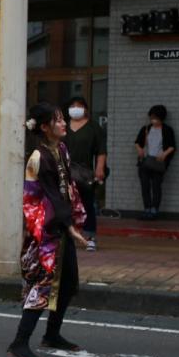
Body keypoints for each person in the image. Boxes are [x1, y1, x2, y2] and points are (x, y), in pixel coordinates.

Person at [6, 103, 89, 357]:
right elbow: (39, 200)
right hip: (44, 231)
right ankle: (18, 343)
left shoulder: (61, 149)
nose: (64, 123)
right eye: (58, 120)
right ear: (44, 127)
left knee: (67, 284)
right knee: (42, 286)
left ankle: (52, 334)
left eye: (63, 118)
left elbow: (68, 189)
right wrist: (67, 226)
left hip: (61, 226)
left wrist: (75, 220)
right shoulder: (38, 158)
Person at [63, 96, 107, 250]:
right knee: (65, 204)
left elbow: (101, 150)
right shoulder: (62, 126)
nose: (75, 108)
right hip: (65, 171)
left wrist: (100, 168)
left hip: (85, 172)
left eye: (79, 106)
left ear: (86, 109)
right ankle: (68, 235)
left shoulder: (94, 127)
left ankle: (90, 236)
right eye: (72, 105)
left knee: (88, 204)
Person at [134, 104, 175, 221]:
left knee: (156, 187)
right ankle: (146, 209)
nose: (153, 120)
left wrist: (164, 154)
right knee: (145, 186)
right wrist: (139, 149)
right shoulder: (146, 128)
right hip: (145, 162)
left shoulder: (167, 130)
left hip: (158, 163)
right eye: (151, 117)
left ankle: (154, 210)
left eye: (155, 117)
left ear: (162, 118)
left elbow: (172, 146)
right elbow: (137, 142)